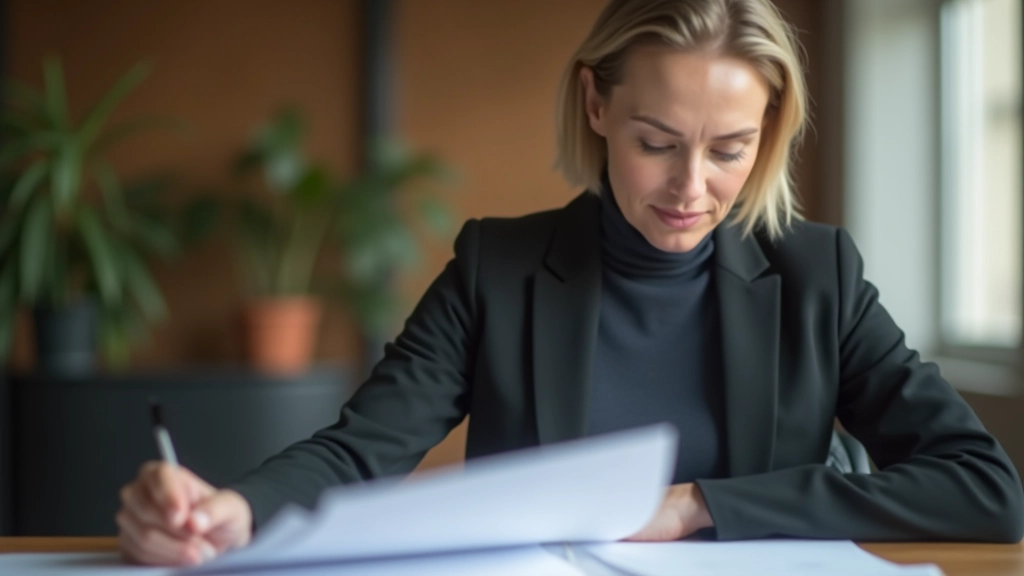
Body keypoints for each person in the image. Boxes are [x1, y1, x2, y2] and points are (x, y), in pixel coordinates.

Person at [116, 0, 1024, 566]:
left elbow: (985, 490)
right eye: (656, 143)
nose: (691, 187)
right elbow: (360, 451)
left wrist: (696, 506)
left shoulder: (818, 275)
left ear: (770, 131)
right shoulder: (498, 268)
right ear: (596, 104)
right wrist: (233, 508)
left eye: (730, 150)